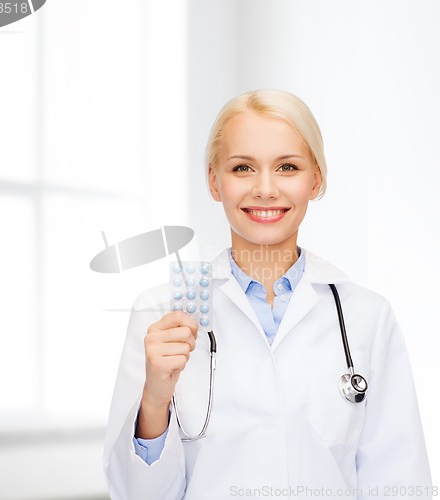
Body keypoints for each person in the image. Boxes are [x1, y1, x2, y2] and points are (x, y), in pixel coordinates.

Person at [103, 90, 432, 500]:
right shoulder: (159, 313)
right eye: (242, 167)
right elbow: (137, 495)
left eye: (287, 167)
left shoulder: (366, 317)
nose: (265, 189)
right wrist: (154, 398)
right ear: (214, 182)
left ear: (316, 180)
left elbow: (401, 480)